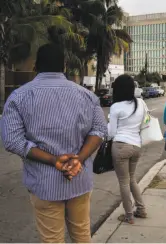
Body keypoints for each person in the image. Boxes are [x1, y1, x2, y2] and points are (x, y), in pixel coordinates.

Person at [0, 44, 107, 243]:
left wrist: (54, 160)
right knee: (82, 235)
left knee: (51, 240)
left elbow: (12, 140)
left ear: (36, 66)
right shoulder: (86, 95)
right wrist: (79, 159)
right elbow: (100, 130)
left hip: (43, 183)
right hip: (79, 178)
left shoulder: (19, 97)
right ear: (64, 66)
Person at [108, 74, 148, 224]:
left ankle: (129, 215)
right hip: (136, 146)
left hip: (121, 146)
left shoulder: (116, 107)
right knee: (132, 179)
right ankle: (141, 209)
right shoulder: (141, 103)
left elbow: (111, 133)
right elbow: (146, 122)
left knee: (124, 182)